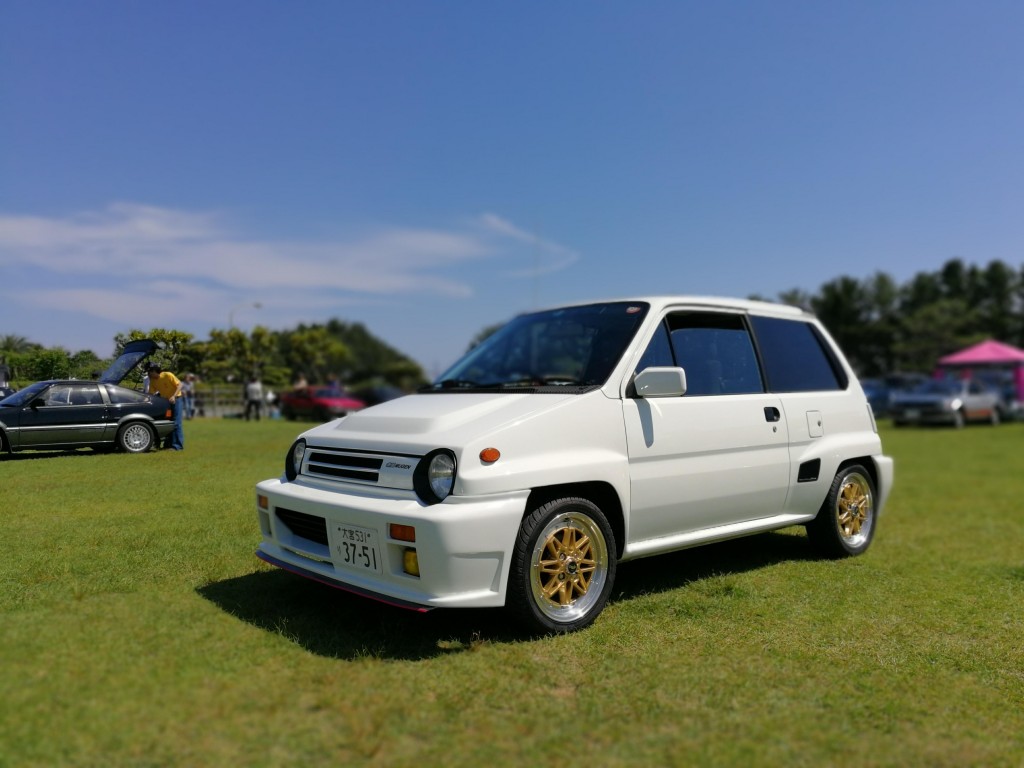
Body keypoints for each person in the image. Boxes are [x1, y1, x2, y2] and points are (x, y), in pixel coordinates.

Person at [147, 362, 185, 450]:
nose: (148, 374)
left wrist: (174, 396)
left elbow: (180, 385)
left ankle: (178, 446)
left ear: (154, 371)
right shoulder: (153, 381)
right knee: (169, 423)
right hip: (166, 402)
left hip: (177, 400)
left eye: (149, 372)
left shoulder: (167, 375)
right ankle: (168, 445)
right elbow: (150, 394)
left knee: (176, 423)